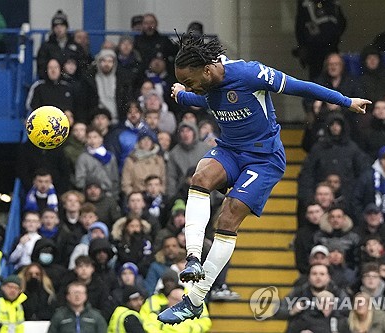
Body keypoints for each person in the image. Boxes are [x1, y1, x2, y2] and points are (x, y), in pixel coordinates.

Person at [158, 33, 370, 324]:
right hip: (230, 150)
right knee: (200, 178)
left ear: (207, 70)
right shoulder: (206, 84)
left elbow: (300, 87)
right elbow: (204, 99)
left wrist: (345, 101)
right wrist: (182, 94)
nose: (191, 86)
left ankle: (194, 300)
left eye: (191, 81)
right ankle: (193, 257)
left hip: (264, 158)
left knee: (228, 216)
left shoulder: (249, 73)